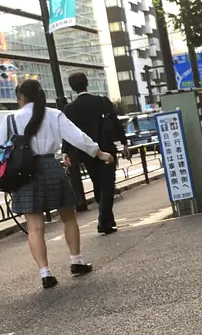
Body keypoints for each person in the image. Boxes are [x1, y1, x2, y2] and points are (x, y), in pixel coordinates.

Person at [6, 80, 115, 289]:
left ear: (21, 98)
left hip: (23, 172)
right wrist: (100, 154)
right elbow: (77, 137)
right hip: (50, 167)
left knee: (35, 227)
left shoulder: (10, 119)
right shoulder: (53, 114)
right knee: (68, 216)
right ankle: (76, 261)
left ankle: (45, 274)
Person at [61, 71, 128, 235]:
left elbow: (68, 132)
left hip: (86, 153)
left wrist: (65, 151)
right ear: (87, 83)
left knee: (98, 184)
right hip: (107, 148)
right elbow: (115, 122)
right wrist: (124, 142)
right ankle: (104, 221)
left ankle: (108, 220)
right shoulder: (102, 101)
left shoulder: (70, 109)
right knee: (108, 184)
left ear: (72, 87)